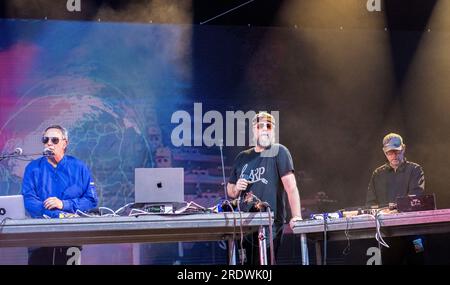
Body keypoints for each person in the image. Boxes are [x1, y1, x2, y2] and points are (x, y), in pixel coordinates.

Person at [227, 112, 302, 265]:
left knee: (265, 262)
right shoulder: (242, 157)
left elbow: (291, 187)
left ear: (273, 130)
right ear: (254, 130)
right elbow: (230, 189)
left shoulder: (279, 151)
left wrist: (296, 216)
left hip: (270, 222)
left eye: (269, 126)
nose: (264, 129)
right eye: (260, 126)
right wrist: (236, 188)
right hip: (245, 224)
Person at [21, 125, 98, 265]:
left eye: (54, 140)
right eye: (45, 140)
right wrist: (57, 214)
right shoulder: (32, 168)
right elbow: (28, 200)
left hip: (72, 235)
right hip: (40, 236)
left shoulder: (79, 167)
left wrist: (64, 204)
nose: (49, 143)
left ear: (65, 143)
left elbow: (91, 200)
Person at [366, 132, 425, 265]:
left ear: (403, 148)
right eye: (389, 153)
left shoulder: (415, 170)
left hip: (414, 232)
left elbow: (416, 199)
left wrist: (394, 208)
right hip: (388, 234)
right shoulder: (377, 174)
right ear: (384, 152)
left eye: (397, 152)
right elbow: (370, 203)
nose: (393, 156)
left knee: (418, 260)